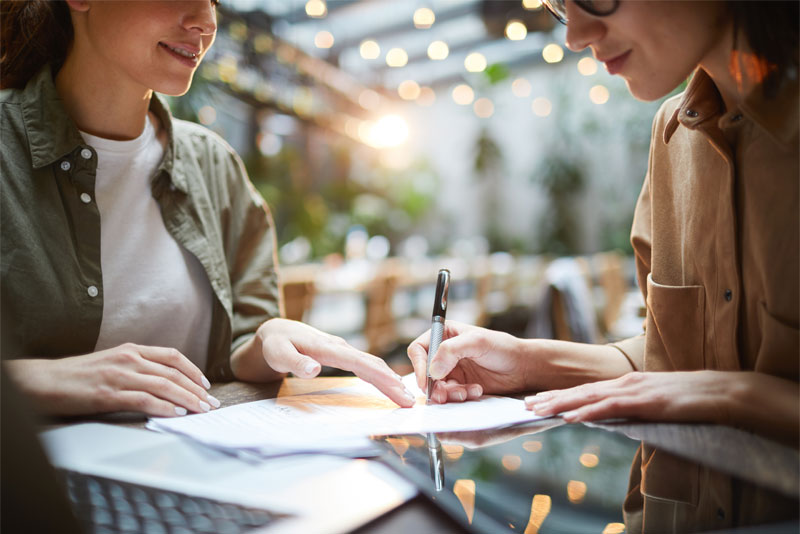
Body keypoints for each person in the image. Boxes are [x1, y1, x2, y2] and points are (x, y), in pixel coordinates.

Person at [0, 0, 416, 419]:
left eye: (214, 0)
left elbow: (239, 347)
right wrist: (53, 380)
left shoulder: (214, 167)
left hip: (191, 472)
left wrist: (267, 339)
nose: (206, 21)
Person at [408, 0, 798, 445]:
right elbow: (666, 363)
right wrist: (524, 363)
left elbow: (698, 386)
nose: (575, 35)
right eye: (560, 4)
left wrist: (739, 396)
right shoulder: (673, 136)